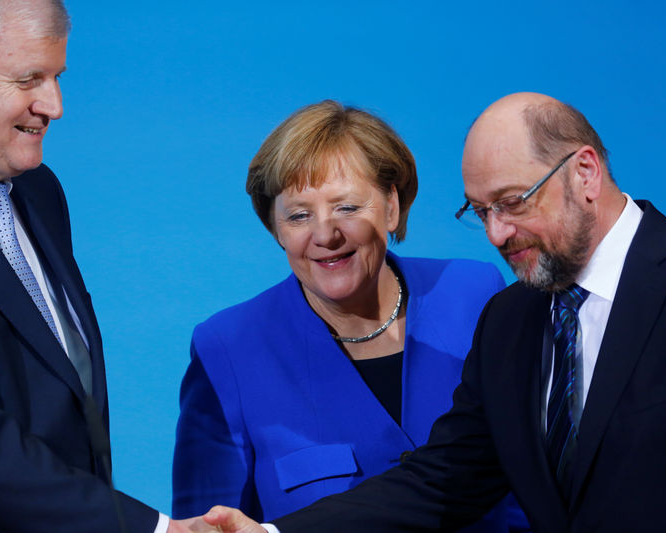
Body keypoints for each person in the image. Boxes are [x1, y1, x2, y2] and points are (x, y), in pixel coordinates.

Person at [194, 91, 666, 533]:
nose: (496, 234)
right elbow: (448, 477)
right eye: (479, 211)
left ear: (585, 172)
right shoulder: (511, 318)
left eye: (512, 203)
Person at [0, 1, 206, 531]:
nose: (54, 105)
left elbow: (59, 393)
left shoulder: (37, 189)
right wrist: (151, 528)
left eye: (56, 76)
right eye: (28, 79)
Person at [172, 100, 528, 531]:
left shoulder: (474, 294)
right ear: (276, 230)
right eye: (299, 216)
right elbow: (211, 527)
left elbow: (531, 477)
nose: (325, 234)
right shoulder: (227, 349)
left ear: (391, 206)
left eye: (346, 207)